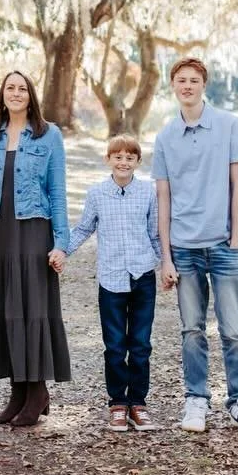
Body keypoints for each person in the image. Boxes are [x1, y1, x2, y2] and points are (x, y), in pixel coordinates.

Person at [152, 55, 238, 433]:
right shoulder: (166, 137)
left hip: (223, 247)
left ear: (204, 85)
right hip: (183, 248)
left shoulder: (229, 125)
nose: (187, 86)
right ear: (173, 87)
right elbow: (163, 199)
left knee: (233, 329)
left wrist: (235, 239)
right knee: (192, 330)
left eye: (194, 80)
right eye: (181, 80)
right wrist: (165, 256)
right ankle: (196, 401)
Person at [0, 70, 71, 427]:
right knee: (2, 308)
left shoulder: (49, 136)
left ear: (31, 96)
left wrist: (62, 242)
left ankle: (37, 392)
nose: (15, 93)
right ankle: (18, 391)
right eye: (9, 88)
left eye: (22, 89)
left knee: (31, 309)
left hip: (33, 230)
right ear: (1, 95)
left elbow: (58, 192)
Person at [66, 132, 162, 430]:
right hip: (111, 280)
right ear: (108, 160)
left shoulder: (148, 192)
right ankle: (118, 403)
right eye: (117, 157)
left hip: (143, 276)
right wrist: (61, 251)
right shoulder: (97, 193)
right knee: (115, 345)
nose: (123, 162)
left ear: (137, 161)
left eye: (129, 158)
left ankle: (139, 403)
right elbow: (83, 229)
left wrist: (168, 265)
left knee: (141, 344)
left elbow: (155, 233)